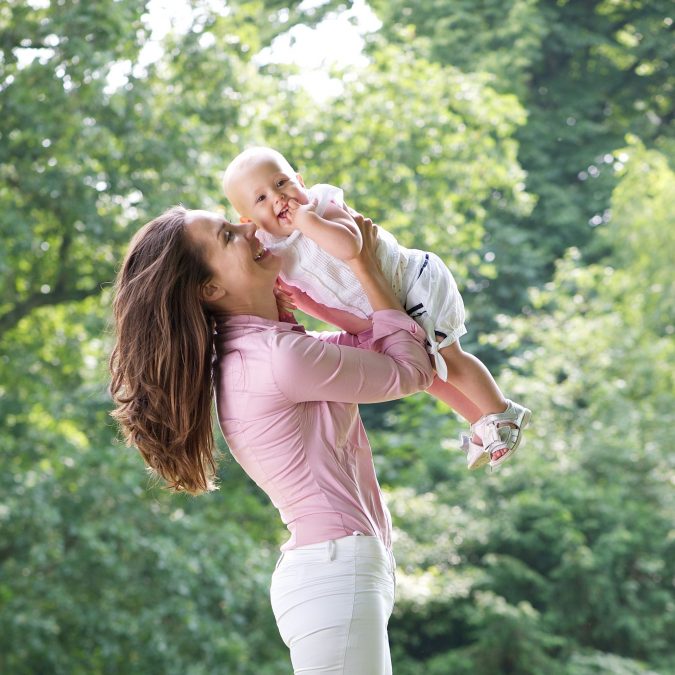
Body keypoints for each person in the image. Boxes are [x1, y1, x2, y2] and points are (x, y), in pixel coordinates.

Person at [109, 205, 434, 674]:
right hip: (335, 573)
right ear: (210, 288)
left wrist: (301, 300)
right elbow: (411, 369)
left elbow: (376, 347)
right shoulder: (278, 360)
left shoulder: (271, 350)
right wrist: (362, 263)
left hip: (338, 572)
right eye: (227, 235)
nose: (248, 226)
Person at [222, 146, 531, 470]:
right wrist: (303, 303)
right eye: (261, 199)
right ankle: (479, 421)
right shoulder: (274, 251)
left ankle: (504, 413)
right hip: (385, 310)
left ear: (299, 180)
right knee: (429, 376)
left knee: (449, 359)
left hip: (414, 284)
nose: (278, 197)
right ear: (249, 221)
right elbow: (322, 304)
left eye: (282, 183)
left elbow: (352, 247)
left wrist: (306, 219)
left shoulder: (321, 205)